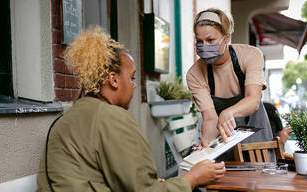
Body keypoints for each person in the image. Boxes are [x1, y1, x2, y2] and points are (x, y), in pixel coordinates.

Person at [36, 28, 225, 192]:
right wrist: (192, 178)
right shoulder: (112, 117)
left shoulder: (67, 118)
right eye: (132, 78)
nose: (134, 86)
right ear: (113, 79)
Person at [186, 8, 274, 154]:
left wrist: (229, 112)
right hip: (224, 142)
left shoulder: (250, 55)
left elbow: (253, 100)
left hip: (257, 141)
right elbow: (210, 118)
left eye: (210, 40)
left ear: (226, 38)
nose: (204, 46)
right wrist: (206, 144)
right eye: (200, 41)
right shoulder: (195, 74)